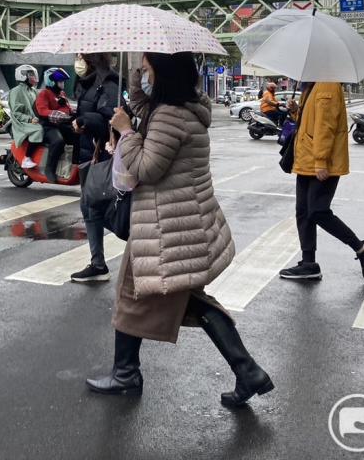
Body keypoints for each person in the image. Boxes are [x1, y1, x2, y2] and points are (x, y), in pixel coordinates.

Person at [85, 52, 273, 409]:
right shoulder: (182, 105)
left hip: (168, 225)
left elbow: (147, 168)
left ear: (163, 74)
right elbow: (144, 105)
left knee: (152, 295)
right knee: (174, 297)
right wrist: (137, 68)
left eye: (148, 68)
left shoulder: (170, 116)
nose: (143, 75)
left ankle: (127, 373)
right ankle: (246, 371)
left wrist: (126, 133)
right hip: (176, 221)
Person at [279, 81, 364, 282]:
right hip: (306, 160)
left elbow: (325, 127)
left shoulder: (327, 85)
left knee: (318, 211)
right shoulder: (312, 85)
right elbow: (310, 123)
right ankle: (309, 264)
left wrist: (321, 161)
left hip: (322, 163)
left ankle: (362, 248)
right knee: (303, 212)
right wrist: (296, 111)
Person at [70, 53, 120, 283]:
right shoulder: (86, 84)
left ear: (92, 58)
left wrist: (84, 121)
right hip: (88, 154)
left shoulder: (108, 84)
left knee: (104, 208)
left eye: (80, 55)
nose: (77, 60)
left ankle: (100, 264)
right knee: (90, 208)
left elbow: (112, 120)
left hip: (100, 157)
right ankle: (97, 263)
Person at [34, 67, 76, 184]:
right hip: (49, 126)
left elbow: (68, 109)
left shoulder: (61, 94)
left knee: (78, 137)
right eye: (60, 81)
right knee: (58, 142)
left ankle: (74, 166)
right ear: (51, 81)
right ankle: (49, 169)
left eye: (63, 81)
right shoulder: (44, 94)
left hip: (63, 125)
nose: (63, 84)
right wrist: (62, 115)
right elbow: (43, 111)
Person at [8, 65, 43, 170]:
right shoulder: (16, 91)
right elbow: (16, 112)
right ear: (23, 76)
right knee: (38, 129)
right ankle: (27, 158)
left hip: (34, 120)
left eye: (33, 74)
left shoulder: (33, 90)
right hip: (22, 123)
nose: (33, 77)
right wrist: (29, 119)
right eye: (30, 75)